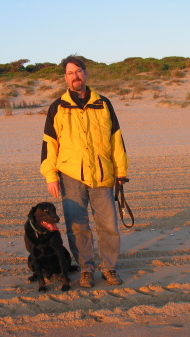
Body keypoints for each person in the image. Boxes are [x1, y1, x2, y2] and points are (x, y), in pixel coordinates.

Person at [40, 55, 129, 288]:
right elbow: (49, 145)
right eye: (70, 73)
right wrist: (51, 176)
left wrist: (121, 172)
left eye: (78, 71)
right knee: (77, 225)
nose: (75, 76)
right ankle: (86, 269)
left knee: (108, 225)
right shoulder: (57, 107)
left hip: (102, 174)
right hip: (70, 176)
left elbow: (116, 140)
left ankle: (109, 268)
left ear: (86, 73)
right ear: (65, 78)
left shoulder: (103, 103)